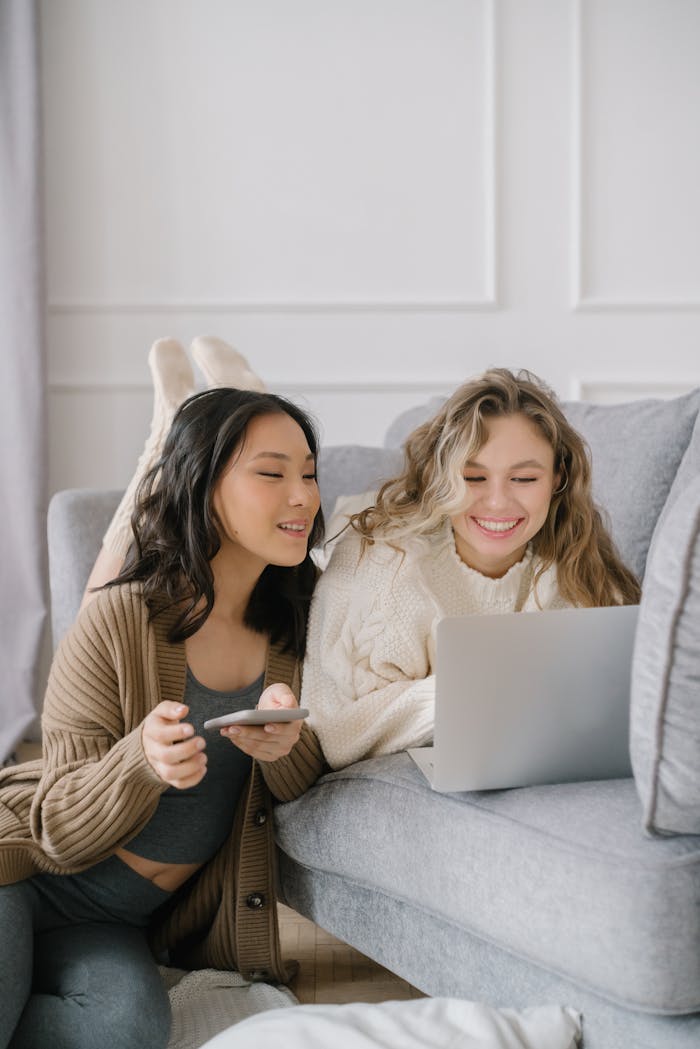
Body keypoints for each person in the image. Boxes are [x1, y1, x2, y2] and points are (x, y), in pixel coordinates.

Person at [0, 377, 325, 1049]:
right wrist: (139, 763)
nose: (303, 496)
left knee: (127, 1029)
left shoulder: (303, 626)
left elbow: (305, 774)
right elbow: (56, 823)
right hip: (21, 870)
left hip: (112, 921)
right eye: (272, 473)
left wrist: (283, 746)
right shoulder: (120, 619)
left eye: (310, 474)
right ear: (203, 486)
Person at [301, 367, 641, 770]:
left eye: (524, 477)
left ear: (558, 478)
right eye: (473, 476)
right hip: (338, 554)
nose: (497, 502)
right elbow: (336, 733)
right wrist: (479, 694)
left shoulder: (578, 557)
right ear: (441, 476)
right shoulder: (385, 561)